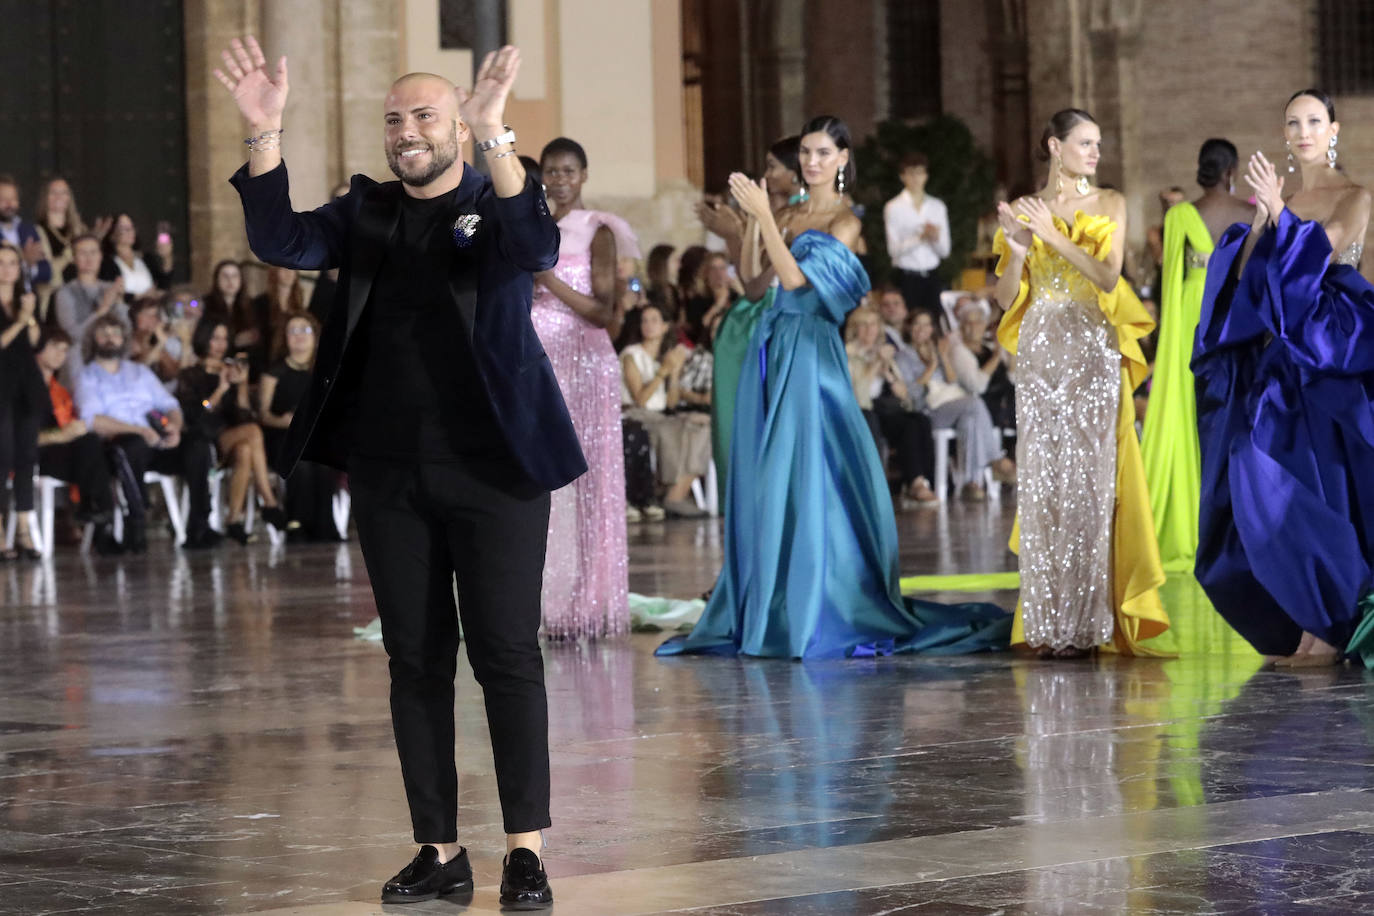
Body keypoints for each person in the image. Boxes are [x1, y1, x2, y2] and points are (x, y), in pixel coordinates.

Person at [217, 36, 570, 907]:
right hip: (388, 473)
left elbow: (535, 249)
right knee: (414, 661)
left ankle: (524, 851)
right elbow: (282, 240)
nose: (405, 132)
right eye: (393, 120)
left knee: (506, 656)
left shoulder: (496, 200)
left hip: (496, 470)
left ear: (456, 122)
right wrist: (265, 136)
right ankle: (440, 851)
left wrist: (496, 135)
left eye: (422, 117)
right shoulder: (365, 211)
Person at [658, 115, 1010, 659]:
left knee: (810, 469)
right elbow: (756, 284)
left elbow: (802, 286)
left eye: (824, 153)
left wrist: (764, 222)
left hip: (811, 351)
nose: (812, 162)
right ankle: (774, 598)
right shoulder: (790, 211)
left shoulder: (846, 220)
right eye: (805, 152)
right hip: (770, 348)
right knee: (770, 472)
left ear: (843, 159)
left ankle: (817, 601)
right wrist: (747, 228)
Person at [1194, 89, 1374, 667]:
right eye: (1292, 122)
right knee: (1254, 476)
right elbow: (1249, 275)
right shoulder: (1281, 199)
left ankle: (1327, 630)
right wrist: (1262, 222)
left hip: (1332, 365)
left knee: (1321, 493)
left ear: (1333, 129)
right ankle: (1304, 622)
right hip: (1278, 368)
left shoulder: (1355, 195)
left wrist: (1281, 216)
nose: (1302, 131)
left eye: (1313, 121)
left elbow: (1327, 250)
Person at [993, 107, 1169, 658]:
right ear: (1054, 145)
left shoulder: (1110, 202)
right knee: (1044, 482)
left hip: (1091, 346)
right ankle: (1047, 625)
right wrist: (1020, 248)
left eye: (1098, 144)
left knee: (1091, 481)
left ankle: (1090, 623)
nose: (1095, 153)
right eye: (1085, 143)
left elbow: (1110, 275)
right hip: (1042, 350)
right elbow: (1003, 300)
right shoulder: (1028, 208)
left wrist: (1055, 237)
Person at [530, 136, 637, 640]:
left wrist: (545, 278)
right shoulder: (533, 226)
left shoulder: (599, 230)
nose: (559, 179)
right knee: (547, 483)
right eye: (551, 170)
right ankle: (546, 598)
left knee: (588, 482)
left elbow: (603, 311)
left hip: (586, 363)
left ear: (584, 175)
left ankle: (589, 600)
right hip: (540, 364)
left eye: (569, 170)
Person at [1140, 139, 1253, 573]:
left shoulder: (1181, 216)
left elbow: (1166, 274)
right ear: (1232, 171)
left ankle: (1188, 516)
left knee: (1187, 413)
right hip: (1230, 317)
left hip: (1189, 314)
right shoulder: (1247, 214)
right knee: (1227, 418)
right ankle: (1229, 524)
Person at [701, 135, 803, 508]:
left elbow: (759, 285)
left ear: (795, 174)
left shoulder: (798, 218)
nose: (767, 173)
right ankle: (746, 503)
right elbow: (749, 279)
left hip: (777, 319)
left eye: (774, 166)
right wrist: (737, 233)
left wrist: (739, 231)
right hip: (751, 318)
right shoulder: (777, 215)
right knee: (736, 423)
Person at [75, 314, 218, 551]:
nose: (111, 339)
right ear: (93, 340)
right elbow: (92, 420)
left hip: (156, 438)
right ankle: (137, 524)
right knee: (132, 445)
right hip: (118, 443)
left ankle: (200, 525)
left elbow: (169, 404)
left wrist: (173, 427)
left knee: (198, 445)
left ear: (124, 339)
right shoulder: (87, 376)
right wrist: (138, 430)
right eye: (104, 334)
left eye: (115, 333)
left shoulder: (139, 372)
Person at [176, 318, 286, 544]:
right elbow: (197, 414)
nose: (220, 344)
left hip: (232, 437)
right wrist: (221, 389)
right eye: (215, 338)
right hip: (204, 440)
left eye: (225, 339)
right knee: (253, 432)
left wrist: (242, 385)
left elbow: (244, 416)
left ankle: (234, 519)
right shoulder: (190, 374)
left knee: (246, 448)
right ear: (204, 338)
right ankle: (269, 501)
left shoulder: (231, 370)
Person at [906, 309, 1014, 500]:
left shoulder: (938, 349)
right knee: (974, 403)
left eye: (926, 324)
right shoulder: (903, 355)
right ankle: (995, 458)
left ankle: (971, 483)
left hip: (954, 405)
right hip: (928, 410)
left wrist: (943, 357)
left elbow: (952, 380)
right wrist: (932, 366)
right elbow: (913, 394)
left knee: (970, 419)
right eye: (917, 324)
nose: (922, 329)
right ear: (909, 328)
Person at [620, 303, 710, 518]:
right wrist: (664, 371)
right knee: (672, 429)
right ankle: (667, 489)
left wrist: (675, 373)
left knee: (703, 426)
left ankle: (677, 492)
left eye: (654, 320)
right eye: (645, 320)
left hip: (661, 414)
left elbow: (671, 404)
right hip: (636, 414)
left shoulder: (665, 356)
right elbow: (640, 400)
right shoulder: (631, 355)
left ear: (665, 327)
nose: (648, 325)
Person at [33, 327, 117, 551]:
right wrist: (61, 435)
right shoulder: (23, 388)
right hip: (34, 456)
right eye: (55, 348)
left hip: (67, 455)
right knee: (89, 446)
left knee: (97, 446)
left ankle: (98, 510)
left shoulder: (59, 391)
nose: (60, 355)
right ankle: (99, 513)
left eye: (64, 350)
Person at [844, 304, 937, 504]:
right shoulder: (848, 354)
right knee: (872, 420)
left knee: (918, 420)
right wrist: (877, 362)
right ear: (855, 328)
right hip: (861, 411)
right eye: (864, 325)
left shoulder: (883, 352)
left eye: (874, 325)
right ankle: (876, 487)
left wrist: (888, 372)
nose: (870, 330)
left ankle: (919, 481)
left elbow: (903, 394)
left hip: (884, 408)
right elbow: (859, 394)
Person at [259, 311, 338, 540]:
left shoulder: (325, 369)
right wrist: (283, 421)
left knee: (323, 463)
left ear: (315, 335)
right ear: (285, 337)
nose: (299, 336)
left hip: (314, 436)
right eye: (293, 331)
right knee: (300, 463)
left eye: (304, 330)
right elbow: (264, 414)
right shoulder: (274, 371)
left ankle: (324, 528)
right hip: (283, 436)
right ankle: (297, 525)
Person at [0, 243, 45, 560]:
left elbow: (34, 342)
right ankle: (1, 532)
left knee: (26, 458)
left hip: (26, 386)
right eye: (1, 263)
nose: (7, 269)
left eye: (13, 263)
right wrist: (21, 320)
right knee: (2, 459)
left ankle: (26, 530)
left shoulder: (25, 301)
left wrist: (28, 317)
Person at [884, 152, 950, 321]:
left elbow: (945, 251)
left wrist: (934, 238)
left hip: (932, 276)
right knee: (908, 323)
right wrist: (920, 238)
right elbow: (893, 251)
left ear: (926, 176)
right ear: (902, 176)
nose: (915, 178)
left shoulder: (937, 206)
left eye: (920, 173)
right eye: (911, 173)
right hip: (907, 278)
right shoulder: (893, 207)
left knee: (934, 323)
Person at [53, 234, 125, 385]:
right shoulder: (65, 292)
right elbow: (72, 335)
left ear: (100, 256)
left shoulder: (109, 288)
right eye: (83, 253)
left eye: (93, 252)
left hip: (111, 352)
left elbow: (126, 329)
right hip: (80, 356)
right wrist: (103, 308)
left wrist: (119, 302)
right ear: (74, 258)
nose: (89, 258)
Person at [953, 296, 1016, 431]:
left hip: (1007, 401)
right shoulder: (959, 351)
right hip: (984, 407)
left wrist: (1010, 358)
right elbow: (977, 386)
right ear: (961, 326)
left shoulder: (990, 347)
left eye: (978, 322)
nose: (974, 327)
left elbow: (1012, 379)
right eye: (969, 322)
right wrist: (997, 356)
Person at [99, 213, 172, 300]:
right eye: (123, 228)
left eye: (131, 227)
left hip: (151, 310)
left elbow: (163, 286)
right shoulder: (106, 262)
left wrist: (167, 257)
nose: (130, 231)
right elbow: (109, 290)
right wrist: (141, 297)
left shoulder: (146, 258)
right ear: (111, 234)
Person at [0, 176, 53, 292]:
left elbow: (47, 273)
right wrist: (24, 262)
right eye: (3, 199)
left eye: (13, 199)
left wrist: (31, 266)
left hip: (28, 300)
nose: (9, 204)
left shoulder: (28, 229)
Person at [33, 177, 87, 290]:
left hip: (83, 292)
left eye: (64, 192)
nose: (59, 197)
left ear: (69, 197)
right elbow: (45, 271)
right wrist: (67, 256)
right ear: (45, 197)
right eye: (53, 192)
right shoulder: (37, 230)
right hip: (56, 293)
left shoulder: (80, 229)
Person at [128, 294, 195, 385]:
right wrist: (160, 344)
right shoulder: (126, 341)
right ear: (135, 317)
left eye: (156, 315)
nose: (152, 319)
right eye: (146, 314)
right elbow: (134, 373)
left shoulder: (157, 341)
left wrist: (185, 341)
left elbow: (176, 374)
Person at [203, 259, 247, 327]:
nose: (230, 280)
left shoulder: (250, 306)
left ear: (241, 280)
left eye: (234, 276)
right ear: (217, 280)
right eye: (225, 276)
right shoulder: (205, 304)